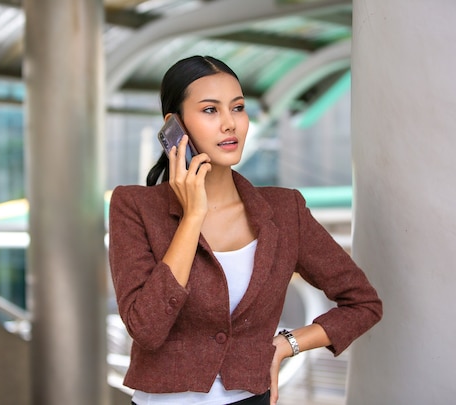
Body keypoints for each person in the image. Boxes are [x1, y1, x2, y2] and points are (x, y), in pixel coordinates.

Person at [108, 55, 382, 405]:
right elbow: (146, 328)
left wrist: (286, 345)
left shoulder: (285, 210)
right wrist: (192, 217)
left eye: (237, 108)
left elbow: (363, 303)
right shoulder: (134, 207)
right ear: (174, 126)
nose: (230, 124)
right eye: (210, 110)